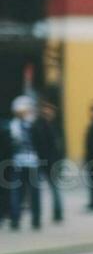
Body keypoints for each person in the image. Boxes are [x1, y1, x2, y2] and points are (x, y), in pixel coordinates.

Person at [8, 96, 42, 231]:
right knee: (33, 193)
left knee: (17, 192)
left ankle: (16, 220)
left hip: (18, 161)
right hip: (32, 161)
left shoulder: (13, 126)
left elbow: (10, 145)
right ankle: (35, 220)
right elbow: (40, 144)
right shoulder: (33, 125)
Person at [33, 102, 63, 224]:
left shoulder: (52, 125)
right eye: (48, 110)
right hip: (43, 161)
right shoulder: (41, 125)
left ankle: (57, 213)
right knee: (40, 189)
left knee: (54, 189)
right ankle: (40, 216)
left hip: (51, 162)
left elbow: (58, 146)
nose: (50, 113)